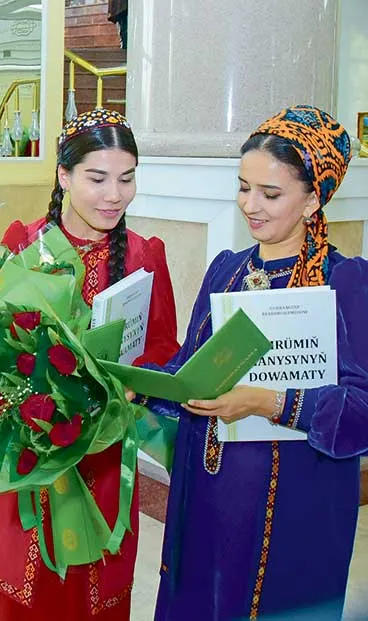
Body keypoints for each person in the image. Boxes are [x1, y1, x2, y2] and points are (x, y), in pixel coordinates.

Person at [147, 105, 365, 620]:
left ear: (313, 198)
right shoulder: (226, 270)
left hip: (295, 504)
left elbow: (361, 410)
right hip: (207, 491)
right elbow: (190, 369)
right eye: (244, 188)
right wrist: (138, 383)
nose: (250, 205)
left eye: (270, 194)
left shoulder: (345, 281)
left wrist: (270, 402)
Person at [0, 109, 180, 620]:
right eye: (97, 178)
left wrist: (129, 388)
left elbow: (161, 348)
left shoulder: (144, 256)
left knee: (91, 579)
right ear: (63, 176)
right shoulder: (24, 244)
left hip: (103, 454)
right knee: (24, 577)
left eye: (127, 179)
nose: (114, 195)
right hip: (30, 450)